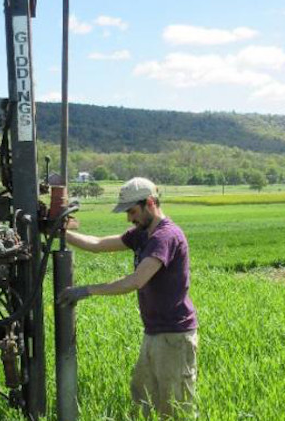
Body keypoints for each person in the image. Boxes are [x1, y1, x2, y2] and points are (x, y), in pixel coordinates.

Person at [58, 177, 198, 418]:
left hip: (174, 337)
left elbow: (136, 281)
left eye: (132, 211)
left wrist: (85, 291)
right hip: (154, 333)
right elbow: (98, 244)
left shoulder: (165, 237)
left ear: (151, 203)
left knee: (175, 408)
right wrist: (61, 233)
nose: (129, 218)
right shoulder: (142, 234)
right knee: (142, 400)